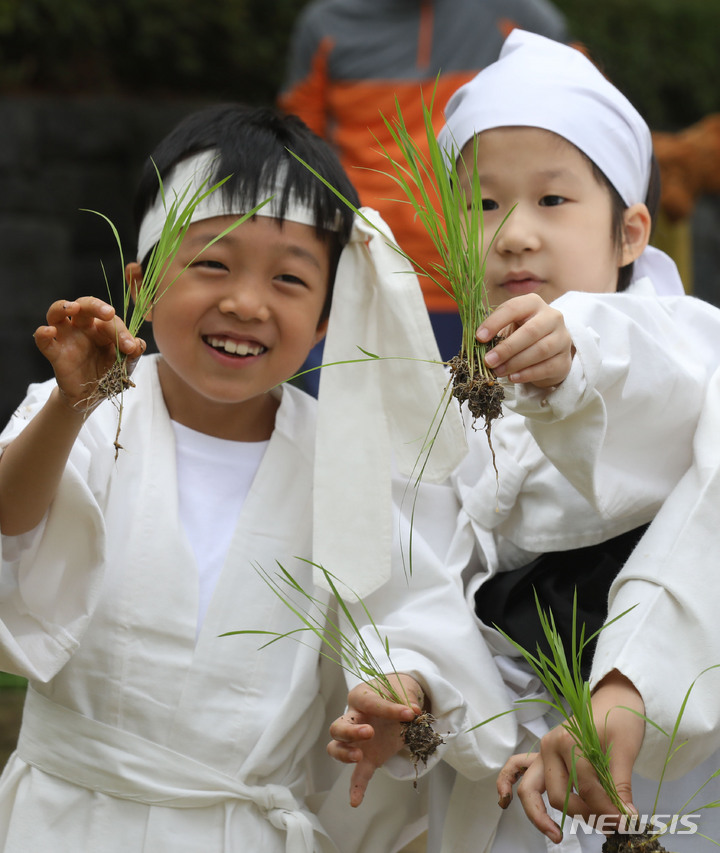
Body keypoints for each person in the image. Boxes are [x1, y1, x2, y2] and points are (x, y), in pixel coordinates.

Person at [0, 103, 524, 853]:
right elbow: (12, 521)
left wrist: (401, 690)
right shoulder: (86, 417)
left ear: (323, 319)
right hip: (63, 818)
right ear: (142, 283)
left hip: (240, 829)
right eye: (212, 263)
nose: (246, 303)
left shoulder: (342, 460)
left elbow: (414, 616)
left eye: (288, 278)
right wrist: (69, 405)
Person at [328, 31, 720, 853]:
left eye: (552, 201)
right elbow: (418, 566)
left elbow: (647, 385)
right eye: (481, 204)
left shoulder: (687, 344)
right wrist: (414, 683)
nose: (512, 234)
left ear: (631, 233)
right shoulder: (445, 400)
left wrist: (571, 365)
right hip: (511, 764)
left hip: (672, 747)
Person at [278, 0, 570, 386]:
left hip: (486, 289)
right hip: (358, 280)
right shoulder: (325, 24)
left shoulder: (525, 19)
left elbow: (580, 132)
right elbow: (299, 155)